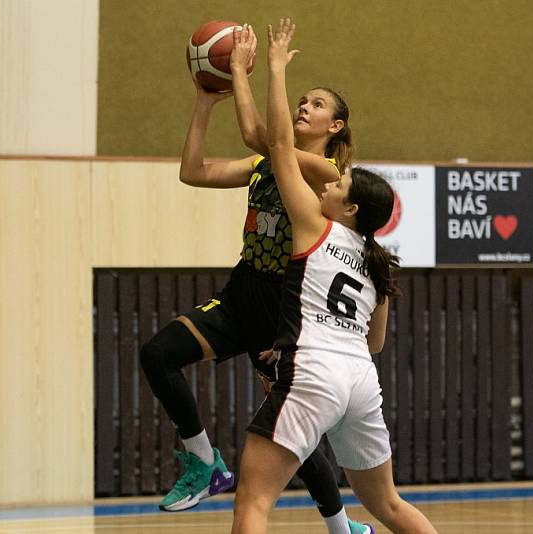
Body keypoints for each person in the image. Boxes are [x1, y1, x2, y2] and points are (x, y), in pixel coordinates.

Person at [139, 22, 373, 534]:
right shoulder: (265, 162)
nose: (303, 106)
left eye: (315, 104)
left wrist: (250, 71)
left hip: (282, 310)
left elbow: (259, 135)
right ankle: (203, 462)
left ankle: (341, 527)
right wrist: (205, 103)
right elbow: (193, 171)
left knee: (291, 434)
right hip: (242, 291)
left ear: (335, 128)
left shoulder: (328, 175)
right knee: (157, 354)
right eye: (302, 100)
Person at [230, 18, 439, 534]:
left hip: (315, 373)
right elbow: (375, 341)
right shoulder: (378, 261)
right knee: (387, 505)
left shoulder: (314, 228)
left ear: (347, 210)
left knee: (253, 503)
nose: (331, 181)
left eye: (340, 184)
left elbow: (277, 144)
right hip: (360, 382)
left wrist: (274, 69)